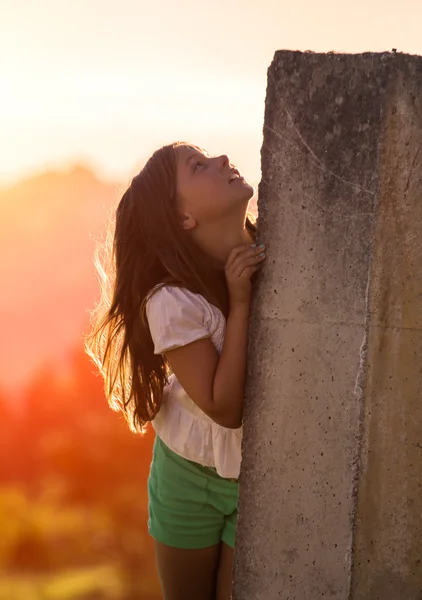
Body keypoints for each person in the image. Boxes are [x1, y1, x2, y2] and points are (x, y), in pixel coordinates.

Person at [84, 141, 266, 600]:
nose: (224, 160)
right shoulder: (171, 301)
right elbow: (225, 408)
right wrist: (240, 302)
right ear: (184, 218)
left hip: (259, 474)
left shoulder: (276, 249)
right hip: (187, 479)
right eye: (198, 166)